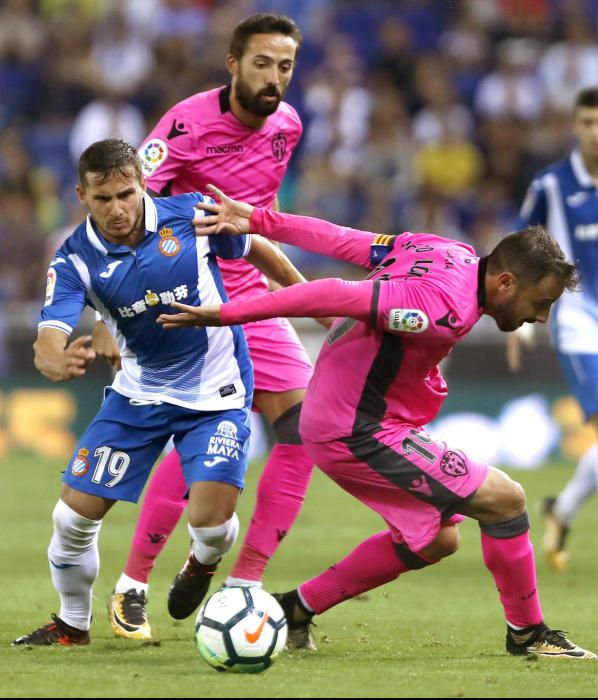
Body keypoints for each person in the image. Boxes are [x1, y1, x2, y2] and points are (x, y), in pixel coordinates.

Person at [155, 185, 595, 659]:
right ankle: (528, 634)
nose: (543, 317)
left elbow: (346, 240)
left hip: (361, 415)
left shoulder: (450, 250)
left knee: (436, 540)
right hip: (353, 427)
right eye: (541, 301)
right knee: (506, 500)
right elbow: (335, 293)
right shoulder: (439, 311)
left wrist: (260, 220)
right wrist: (229, 314)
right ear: (506, 282)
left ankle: (293, 610)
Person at [11, 138, 312, 647]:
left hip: (218, 393)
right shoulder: (73, 260)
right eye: (103, 199)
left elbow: (255, 245)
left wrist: (304, 297)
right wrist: (54, 359)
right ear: (82, 196)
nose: (117, 209)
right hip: (139, 396)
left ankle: (203, 560)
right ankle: (71, 625)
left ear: (143, 184)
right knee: (70, 518)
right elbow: (49, 335)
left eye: (125, 194)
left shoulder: (192, 214)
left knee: (211, 525)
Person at [93, 14, 321, 647]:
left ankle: (241, 580)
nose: (274, 78)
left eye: (285, 66)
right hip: (189, 295)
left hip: (250, 293)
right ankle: (132, 585)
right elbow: (125, 215)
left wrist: (296, 289)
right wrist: (110, 315)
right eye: (261, 64)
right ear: (231, 64)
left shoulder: (289, 126)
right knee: (194, 431)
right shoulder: (185, 125)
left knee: (302, 431)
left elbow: (258, 222)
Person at [508, 87, 598, 572]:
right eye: (588, 122)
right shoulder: (551, 185)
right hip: (580, 321)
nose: (596, 132)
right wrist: (518, 322)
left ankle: (559, 512)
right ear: (575, 125)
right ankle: (559, 512)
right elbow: (520, 251)